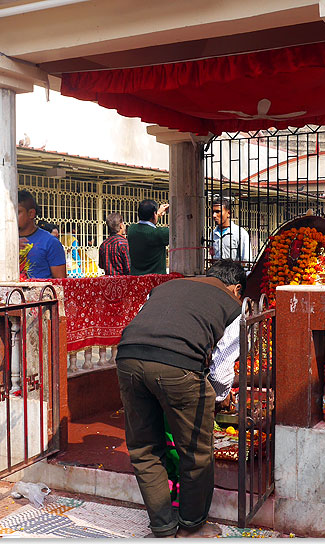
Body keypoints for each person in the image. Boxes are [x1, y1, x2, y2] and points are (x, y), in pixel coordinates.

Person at [114, 260, 244, 537]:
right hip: (178, 364)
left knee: (144, 449)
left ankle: (162, 527)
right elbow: (221, 369)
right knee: (195, 453)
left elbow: (143, 320)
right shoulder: (234, 307)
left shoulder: (166, 287)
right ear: (237, 288)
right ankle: (192, 526)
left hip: (128, 358)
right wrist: (219, 397)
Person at [17, 191, 67, 279]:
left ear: (31, 213)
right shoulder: (2, 242)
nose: (12, 216)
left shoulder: (50, 243)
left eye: (18, 212)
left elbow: (60, 283)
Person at [127, 199, 170, 275]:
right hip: (156, 281)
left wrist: (158, 214)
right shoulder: (159, 234)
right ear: (154, 214)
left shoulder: (131, 230)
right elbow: (176, 231)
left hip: (137, 280)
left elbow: (148, 226)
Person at [209, 199, 251, 265]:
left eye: (218, 212)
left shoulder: (240, 233)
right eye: (213, 212)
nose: (214, 215)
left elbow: (246, 260)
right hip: (216, 273)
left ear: (228, 213)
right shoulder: (213, 234)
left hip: (233, 274)